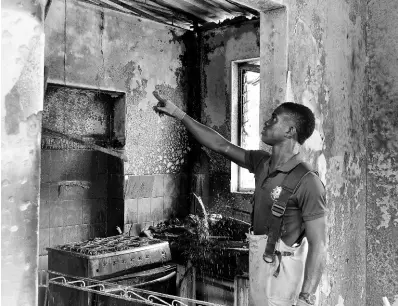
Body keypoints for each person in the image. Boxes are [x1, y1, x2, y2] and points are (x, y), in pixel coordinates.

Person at [152, 91, 327, 306]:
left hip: (283, 276)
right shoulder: (262, 162)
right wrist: (178, 113)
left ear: (290, 131)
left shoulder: (308, 180)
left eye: (274, 118)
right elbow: (220, 145)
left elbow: (319, 245)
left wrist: (305, 298)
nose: (266, 122)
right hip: (259, 266)